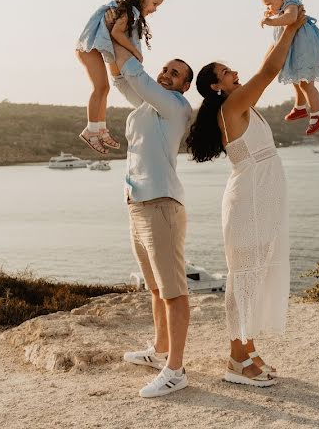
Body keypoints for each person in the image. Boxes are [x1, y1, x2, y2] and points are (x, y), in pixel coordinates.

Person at [184, 10, 307, 387]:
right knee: (245, 277)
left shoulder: (241, 106)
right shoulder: (231, 107)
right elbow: (269, 72)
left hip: (259, 196)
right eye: (226, 72)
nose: (234, 73)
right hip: (248, 199)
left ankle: (247, 348)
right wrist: (289, 28)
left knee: (255, 273)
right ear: (217, 87)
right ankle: (237, 360)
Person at [106, 33, 194, 398]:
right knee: (156, 288)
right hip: (138, 206)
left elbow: (135, 75)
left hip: (161, 205)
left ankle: (176, 369)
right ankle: (159, 352)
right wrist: (108, 42)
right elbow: (120, 76)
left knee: (173, 291)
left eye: (175, 73)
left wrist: (118, 34)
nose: (166, 75)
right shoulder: (144, 108)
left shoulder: (175, 106)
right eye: (165, 69)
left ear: (185, 87)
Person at [75, 0, 165, 154]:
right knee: (100, 88)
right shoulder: (129, 11)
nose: (155, 9)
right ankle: (91, 130)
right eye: (154, 3)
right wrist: (134, 51)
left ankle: (100, 129)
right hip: (88, 49)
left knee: (104, 89)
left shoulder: (131, 12)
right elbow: (117, 33)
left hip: (92, 50)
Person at [259, 0, 319, 135]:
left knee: (305, 83)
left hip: (304, 51)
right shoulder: (283, 8)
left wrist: (272, 21)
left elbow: (290, 18)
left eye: (270, 3)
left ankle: (318, 114)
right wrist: (273, 12)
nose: (269, 7)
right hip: (296, 51)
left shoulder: (291, 5)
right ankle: (300, 107)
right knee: (296, 80)